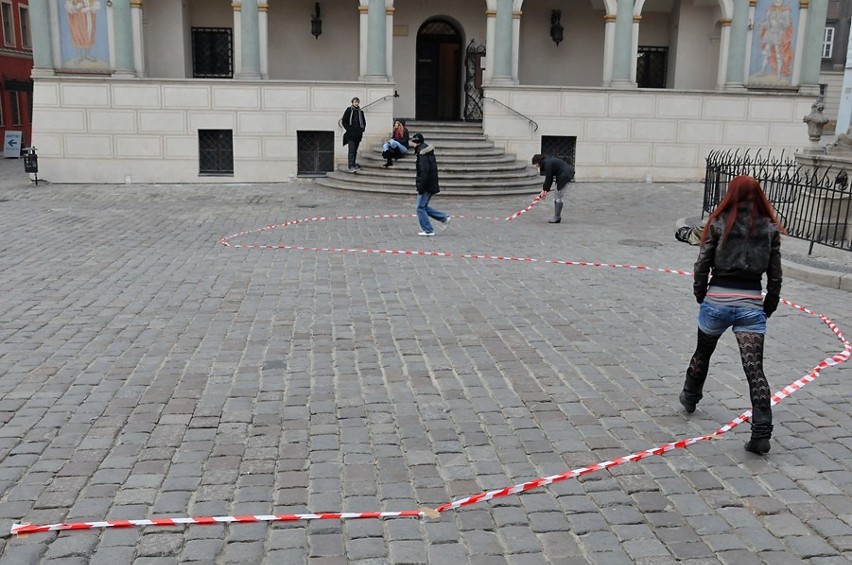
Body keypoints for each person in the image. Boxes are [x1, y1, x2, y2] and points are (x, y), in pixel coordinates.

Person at [682, 175, 784, 455]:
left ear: (730, 194)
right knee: (754, 369)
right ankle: (761, 432)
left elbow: (702, 263)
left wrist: (701, 293)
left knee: (703, 352)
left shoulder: (718, 223)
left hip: (717, 299)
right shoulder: (769, 229)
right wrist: (769, 305)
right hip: (751, 304)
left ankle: (690, 396)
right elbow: (775, 275)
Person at [412, 132, 450, 237]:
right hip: (430, 183)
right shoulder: (426, 152)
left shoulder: (422, 154)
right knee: (423, 206)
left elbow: (424, 171)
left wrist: (421, 187)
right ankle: (444, 217)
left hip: (427, 184)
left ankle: (428, 229)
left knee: (420, 207)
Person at [532, 154, 575, 223]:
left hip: (565, 175)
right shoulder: (547, 161)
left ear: (538, 161)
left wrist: (544, 190)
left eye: (536, 164)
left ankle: (557, 217)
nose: (537, 166)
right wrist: (545, 190)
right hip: (563, 174)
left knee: (558, 195)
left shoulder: (547, 163)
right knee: (557, 194)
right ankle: (557, 216)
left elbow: (548, 178)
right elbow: (550, 178)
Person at [342, 97, 366, 172]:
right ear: (352, 102)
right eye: (355, 102)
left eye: (357, 102)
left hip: (358, 135)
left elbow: (364, 122)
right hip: (351, 135)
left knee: (355, 150)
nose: (356, 103)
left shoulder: (360, 112)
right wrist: (349, 129)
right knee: (351, 150)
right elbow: (344, 121)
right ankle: (351, 165)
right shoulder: (349, 110)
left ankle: (354, 164)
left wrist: (362, 130)